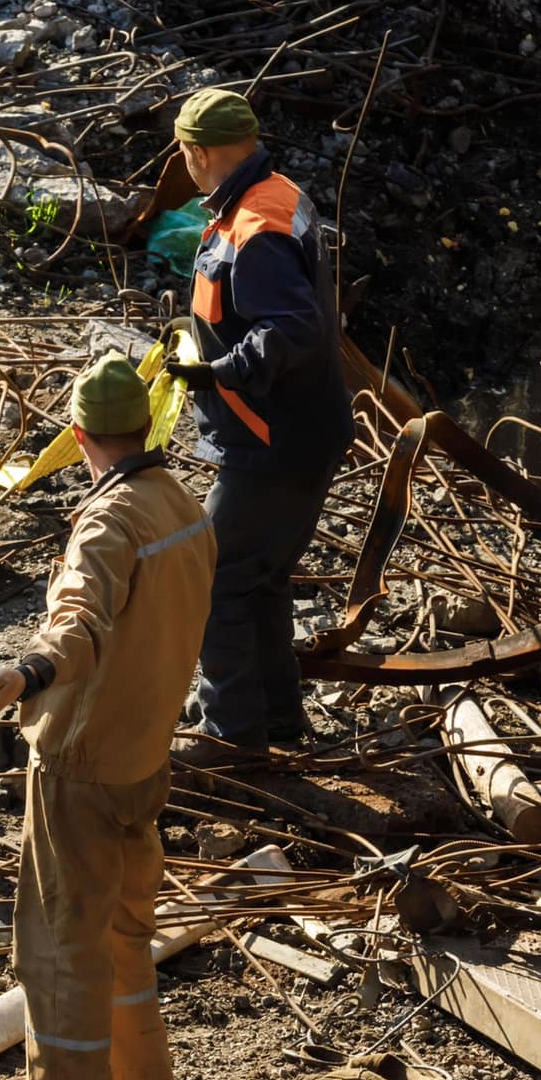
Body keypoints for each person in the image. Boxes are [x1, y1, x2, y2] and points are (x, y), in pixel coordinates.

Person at [0, 352, 217, 1080]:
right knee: (124, 934)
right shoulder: (182, 502)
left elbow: (79, 618)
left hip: (80, 766)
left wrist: (26, 674)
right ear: (144, 427)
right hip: (146, 757)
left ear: (79, 437)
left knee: (57, 946)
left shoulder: (109, 523)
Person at [162, 88, 353, 750]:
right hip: (298, 432)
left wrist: (221, 372)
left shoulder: (255, 227)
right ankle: (275, 717)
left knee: (210, 580)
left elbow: (293, 326)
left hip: (274, 442)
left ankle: (232, 738)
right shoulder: (272, 193)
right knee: (259, 579)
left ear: (198, 152)